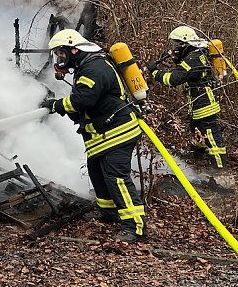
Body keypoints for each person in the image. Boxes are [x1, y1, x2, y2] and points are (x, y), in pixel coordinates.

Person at [40, 29, 147, 242]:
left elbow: (82, 100)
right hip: (102, 135)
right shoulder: (86, 65)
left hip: (118, 132)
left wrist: (56, 105)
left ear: (74, 49)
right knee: (97, 172)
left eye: (61, 54)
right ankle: (108, 213)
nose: (60, 59)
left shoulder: (95, 68)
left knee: (116, 178)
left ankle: (135, 226)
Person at [148, 26, 226, 169]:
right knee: (197, 136)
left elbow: (174, 79)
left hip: (204, 105)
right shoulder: (196, 54)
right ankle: (199, 165)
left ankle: (221, 174)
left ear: (184, 43)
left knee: (213, 141)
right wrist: (175, 60)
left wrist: (154, 72)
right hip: (198, 103)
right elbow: (184, 71)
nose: (174, 47)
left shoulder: (193, 59)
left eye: (176, 44)